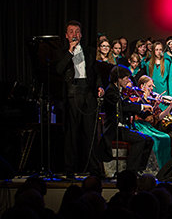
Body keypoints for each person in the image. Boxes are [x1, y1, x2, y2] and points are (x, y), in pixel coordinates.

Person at [56, 20, 105, 178]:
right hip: (72, 94)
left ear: (81, 34)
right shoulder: (62, 52)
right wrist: (70, 51)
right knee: (72, 134)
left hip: (88, 94)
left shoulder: (89, 51)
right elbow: (59, 70)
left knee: (90, 133)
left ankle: (94, 169)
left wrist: (100, 87)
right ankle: (69, 169)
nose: (74, 34)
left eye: (77, 31)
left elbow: (95, 73)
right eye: (71, 31)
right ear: (66, 35)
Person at [101, 65, 154, 175]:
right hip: (115, 129)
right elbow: (123, 106)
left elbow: (127, 107)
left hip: (122, 128)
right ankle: (131, 171)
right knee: (140, 139)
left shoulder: (118, 90)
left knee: (149, 140)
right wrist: (142, 106)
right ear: (119, 79)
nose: (128, 81)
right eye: (126, 78)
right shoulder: (110, 91)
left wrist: (144, 113)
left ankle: (139, 168)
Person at [134, 75, 172, 171]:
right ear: (142, 86)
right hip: (141, 126)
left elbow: (158, 117)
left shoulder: (151, 99)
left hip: (150, 127)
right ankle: (153, 169)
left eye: (152, 86)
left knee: (166, 137)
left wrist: (170, 107)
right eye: (149, 86)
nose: (151, 89)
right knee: (156, 140)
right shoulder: (137, 99)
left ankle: (165, 169)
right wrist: (154, 105)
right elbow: (146, 117)